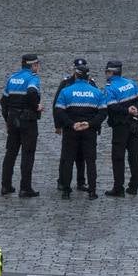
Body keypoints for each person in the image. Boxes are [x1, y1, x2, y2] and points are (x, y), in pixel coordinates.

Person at [54, 60, 106, 200]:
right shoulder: (97, 92)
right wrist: (90, 124)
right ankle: (92, 191)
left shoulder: (66, 91)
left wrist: (71, 124)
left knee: (68, 160)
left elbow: (59, 111)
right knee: (90, 161)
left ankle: (66, 190)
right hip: (89, 131)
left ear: (76, 76)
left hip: (71, 131)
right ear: (88, 78)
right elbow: (102, 113)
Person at [1, 54, 42, 197]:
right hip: (27, 120)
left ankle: (6, 186)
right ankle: (25, 188)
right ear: (33, 65)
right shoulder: (32, 78)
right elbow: (32, 93)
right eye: (37, 64)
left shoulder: (12, 78)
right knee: (28, 154)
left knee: (10, 153)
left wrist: (6, 119)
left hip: (12, 119)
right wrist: (36, 106)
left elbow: (3, 101)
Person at [102, 60, 138, 197]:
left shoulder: (110, 88)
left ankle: (118, 188)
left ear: (111, 72)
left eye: (106, 72)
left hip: (120, 127)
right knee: (134, 156)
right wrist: (135, 109)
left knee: (118, 157)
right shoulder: (130, 83)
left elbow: (112, 107)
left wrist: (127, 110)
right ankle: (134, 186)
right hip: (133, 125)